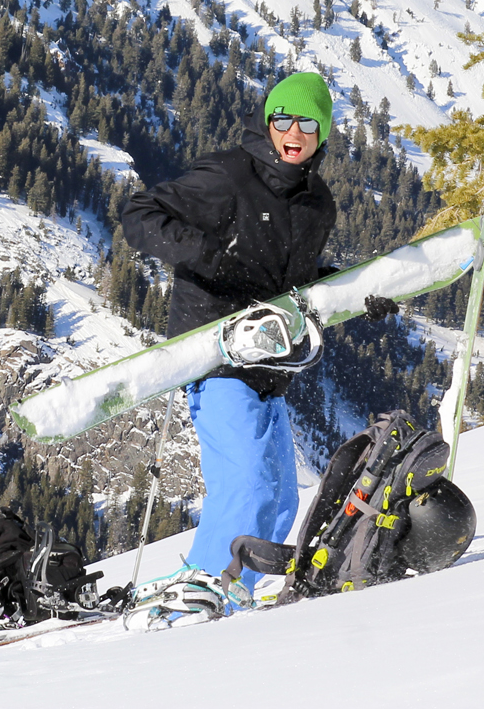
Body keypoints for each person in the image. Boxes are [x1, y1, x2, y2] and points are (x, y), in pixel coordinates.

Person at [121, 71, 395, 615]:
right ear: (267, 123)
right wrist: (203, 253)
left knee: (278, 497)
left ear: (323, 134)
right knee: (245, 481)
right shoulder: (228, 176)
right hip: (217, 354)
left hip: (274, 363)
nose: (294, 131)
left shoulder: (317, 203)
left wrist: (359, 293)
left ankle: (234, 593)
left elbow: (298, 278)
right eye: (283, 119)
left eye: (308, 123)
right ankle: (199, 589)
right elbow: (139, 213)